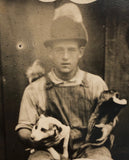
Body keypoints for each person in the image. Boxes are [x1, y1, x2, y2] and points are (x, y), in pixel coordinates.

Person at [15, 3, 116, 160]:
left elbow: (109, 117)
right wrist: (36, 141)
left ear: (80, 52)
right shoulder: (35, 89)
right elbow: (23, 129)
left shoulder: (96, 84)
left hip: (88, 148)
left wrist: (107, 128)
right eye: (59, 50)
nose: (65, 57)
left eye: (71, 50)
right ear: (50, 53)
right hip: (49, 150)